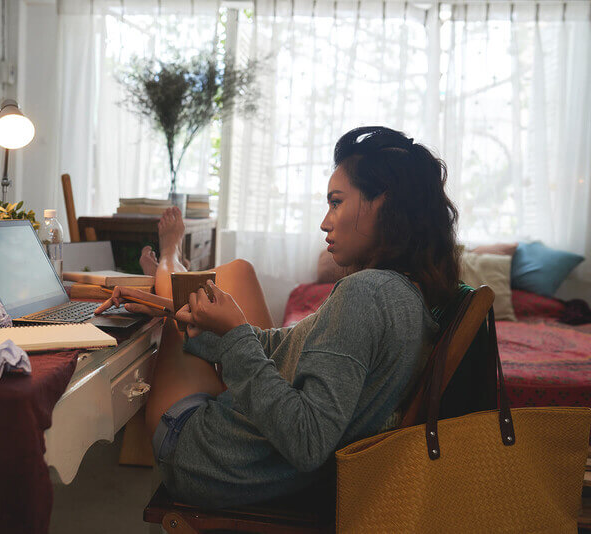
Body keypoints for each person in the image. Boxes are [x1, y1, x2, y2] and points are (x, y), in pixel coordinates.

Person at [95, 126, 460, 508]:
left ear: (384, 203)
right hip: (260, 459)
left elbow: (307, 442)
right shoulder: (407, 295)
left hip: (211, 462)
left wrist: (234, 332)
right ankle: (168, 282)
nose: (325, 221)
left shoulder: (364, 295)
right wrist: (186, 314)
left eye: (336, 202)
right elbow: (286, 348)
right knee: (223, 280)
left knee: (210, 285)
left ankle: (169, 262)